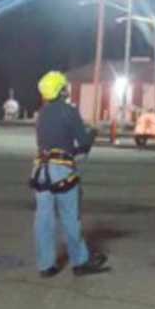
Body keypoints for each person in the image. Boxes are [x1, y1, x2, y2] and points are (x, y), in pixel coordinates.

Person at [31, 71, 109, 278]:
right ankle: (80, 262)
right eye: (64, 86)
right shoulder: (69, 111)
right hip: (62, 171)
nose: (67, 89)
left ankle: (46, 266)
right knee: (69, 218)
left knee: (44, 220)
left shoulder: (42, 113)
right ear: (60, 89)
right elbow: (82, 143)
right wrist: (93, 132)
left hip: (40, 171)